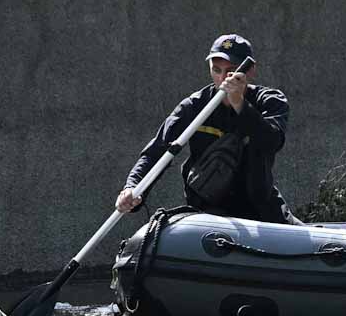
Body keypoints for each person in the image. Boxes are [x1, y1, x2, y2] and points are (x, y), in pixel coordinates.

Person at [117, 34, 296, 224]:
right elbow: (158, 150)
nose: (222, 78)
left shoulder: (270, 100)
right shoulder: (194, 105)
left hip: (260, 208)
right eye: (216, 70)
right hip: (208, 211)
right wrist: (133, 188)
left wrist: (239, 104)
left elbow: (271, 141)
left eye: (230, 71)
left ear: (250, 71)